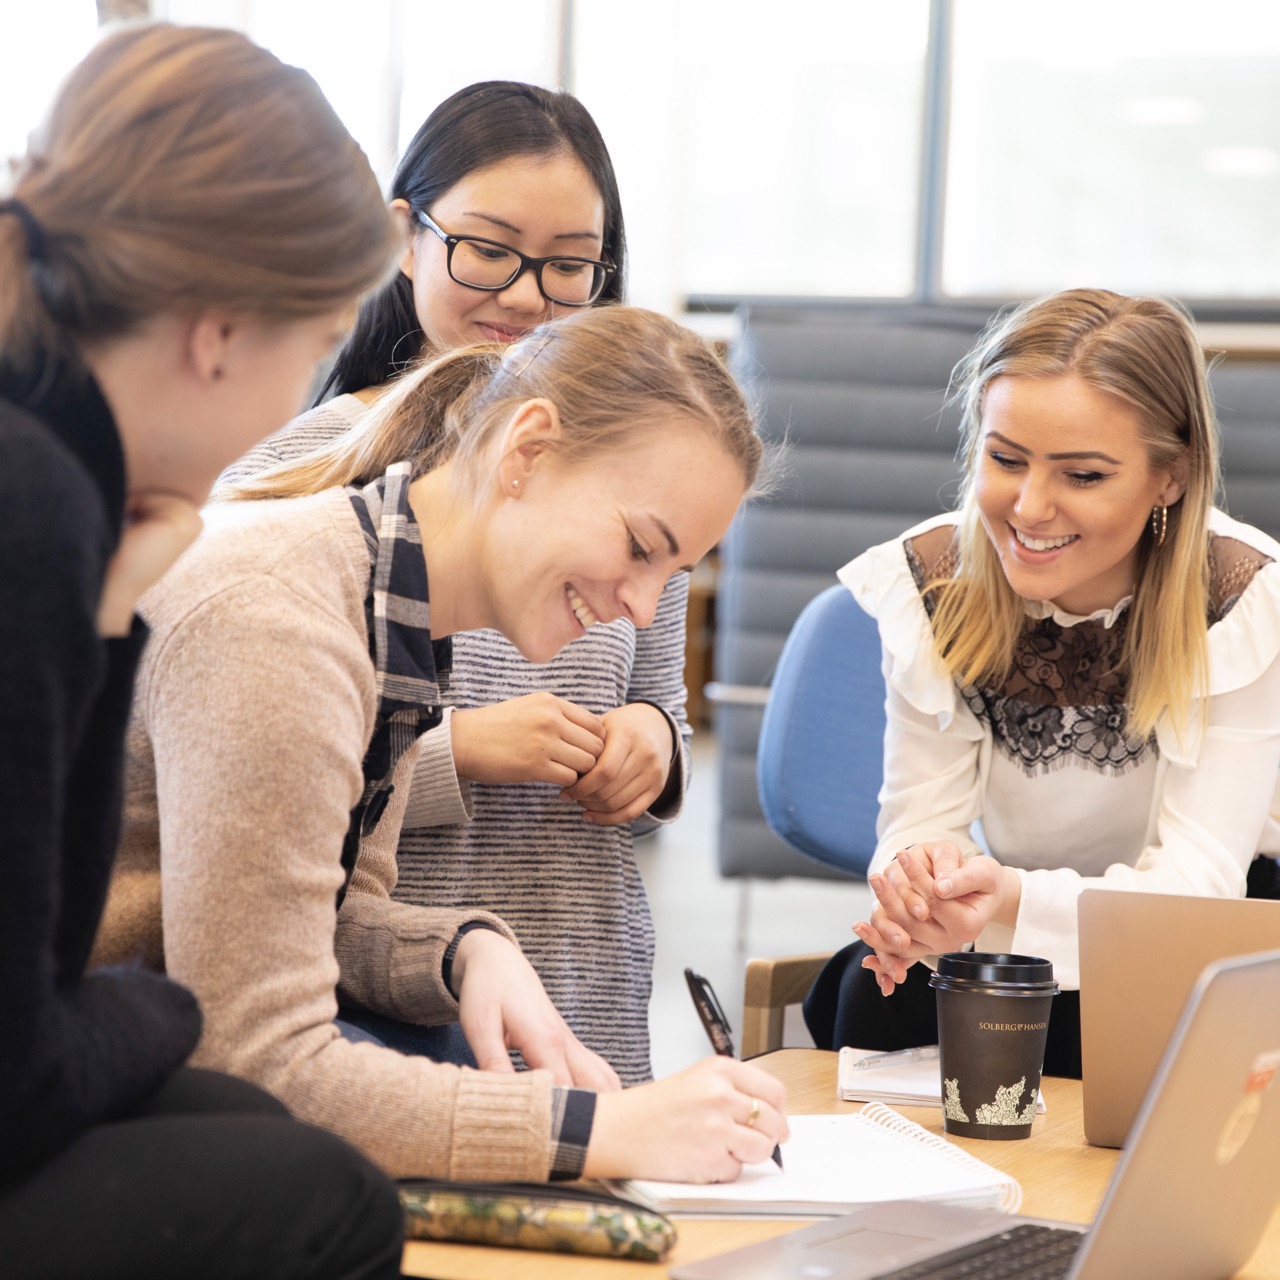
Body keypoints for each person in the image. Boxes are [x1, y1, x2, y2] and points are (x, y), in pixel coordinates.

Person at [110, 305, 790, 1185]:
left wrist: (464, 946)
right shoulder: (280, 624)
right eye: (638, 548)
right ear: (527, 450)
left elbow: (303, 916)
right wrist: (593, 1131)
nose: (645, 608)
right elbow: (259, 1058)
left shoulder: (390, 609)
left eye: (673, 573)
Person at [0, 23, 407, 1280]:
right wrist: (167, 1006)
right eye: (316, 343)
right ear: (220, 331)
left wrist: (114, 611)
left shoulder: (45, 455)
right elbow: (25, 1057)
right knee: (329, 1195)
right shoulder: (32, 503)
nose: (302, 400)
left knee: (234, 1129)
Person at [217, 81, 682, 1085]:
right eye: (488, 248)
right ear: (404, 235)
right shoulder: (300, 474)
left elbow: (658, 700)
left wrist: (651, 748)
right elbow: (244, 791)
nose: (525, 295)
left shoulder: (632, 479)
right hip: (379, 1004)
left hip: (580, 966)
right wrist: (452, 753)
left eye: (568, 265)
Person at [803, 288, 1280, 1079]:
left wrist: (1008, 903)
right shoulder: (932, 588)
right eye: (1005, 459)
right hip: (1012, 909)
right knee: (870, 1000)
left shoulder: (1242, 601)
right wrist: (924, 891)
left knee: (1122, 1032)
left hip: (1203, 922)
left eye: (1083, 475)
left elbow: (1198, 887)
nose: (1028, 507)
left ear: (1171, 477)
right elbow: (921, 820)